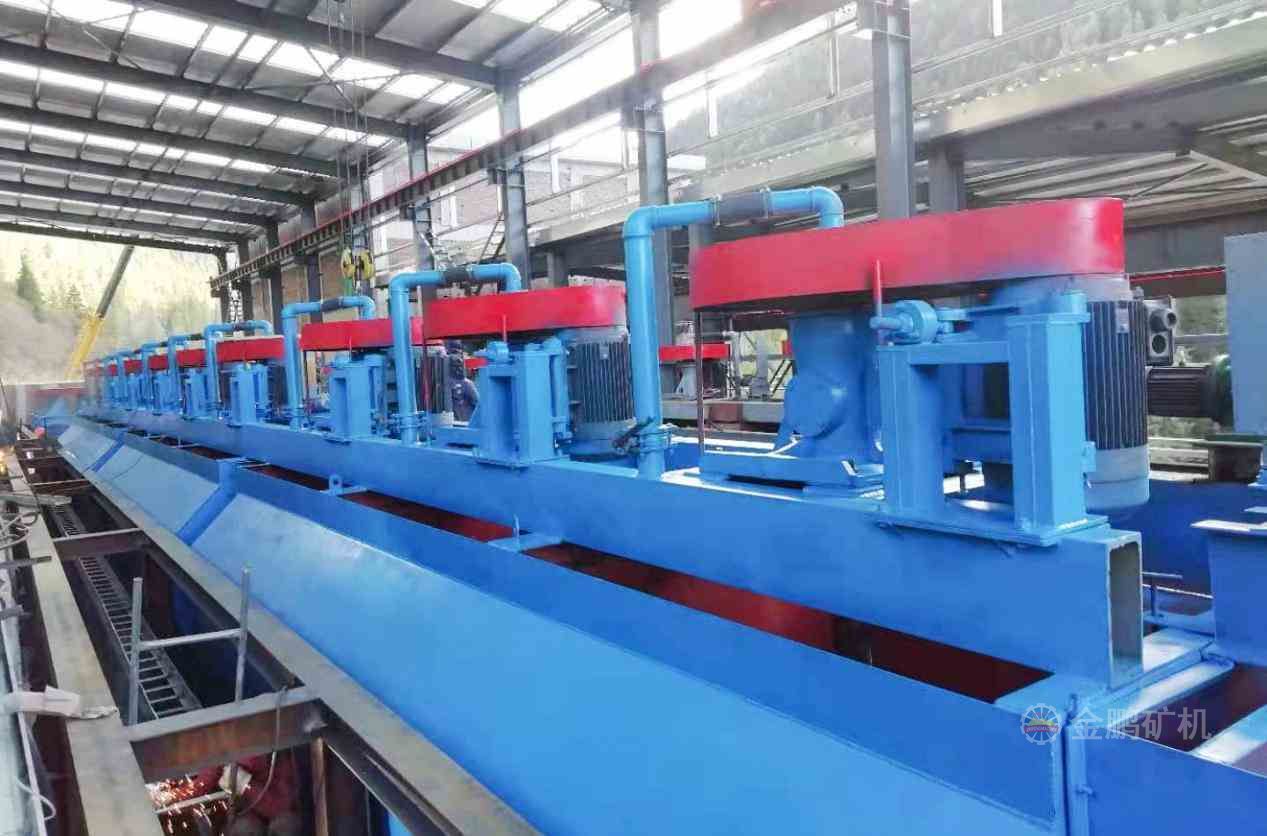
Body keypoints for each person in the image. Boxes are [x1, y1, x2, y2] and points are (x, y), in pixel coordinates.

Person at [184, 754, 300, 836]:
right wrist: (179, 796)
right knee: (244, 828)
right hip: (249, 811)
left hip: (278, 807)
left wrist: (245, 784)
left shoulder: (279, 750)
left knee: (287, 826)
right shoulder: (226, 741)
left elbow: (284, 807)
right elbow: (207, 778)